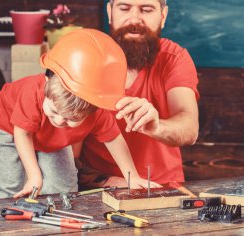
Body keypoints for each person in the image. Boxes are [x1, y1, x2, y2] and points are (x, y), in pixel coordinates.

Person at [0, 29, 154, 199]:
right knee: (10, 185)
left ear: (93, 111)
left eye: (71, 119)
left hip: (48, 137)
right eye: (53, 111)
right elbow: (22, 133)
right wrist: (34, 176)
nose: (59, 121)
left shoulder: (97, 112)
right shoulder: (31, 93)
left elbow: (113, 139)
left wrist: (131, 177)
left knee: (64, 186)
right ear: (46, 83)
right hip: (7, 126)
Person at [77, 0, 200, 188]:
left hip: (162, 188)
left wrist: (157, 127)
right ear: (110, 12)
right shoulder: (84, 58)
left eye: (146, 9)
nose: (134, 19)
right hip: (98, 190)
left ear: (163, 16)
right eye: (124, 8)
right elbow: (62, 143)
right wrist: (103, 181)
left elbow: (189, 128)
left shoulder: (175, 58)